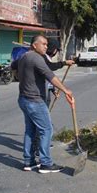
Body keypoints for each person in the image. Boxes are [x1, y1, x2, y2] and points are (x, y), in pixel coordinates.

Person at [15, 35, 73, 174]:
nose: (46, 47)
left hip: (24, 99)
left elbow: (13, 67)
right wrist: (65, 90)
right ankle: (46, 163)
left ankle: (29, 162)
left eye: (47, 44)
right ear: (34, 45)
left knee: (30, 130)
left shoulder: (23, 57)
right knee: (46, 130)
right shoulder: (36, 58)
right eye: (44, 44)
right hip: (35, 101)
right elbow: (50, 75)